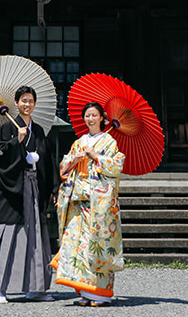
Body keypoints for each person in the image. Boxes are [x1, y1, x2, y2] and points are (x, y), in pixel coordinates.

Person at [52, 101, 125, 306]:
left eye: (94, 115)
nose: (90, 119)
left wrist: (97, 157)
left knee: (98, 245)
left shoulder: (109, 142)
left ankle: (100, 293)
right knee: (78, 246)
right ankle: (85, 291)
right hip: (78, 200)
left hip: (99, 204)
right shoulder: (79, 142)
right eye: (87, 115)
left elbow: (116, 166)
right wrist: (74, 160)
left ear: (102, 118)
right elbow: (64, 168)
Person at [0, 85, 57, 304]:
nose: (27, 104)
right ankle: (2, 289)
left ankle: (34, 288)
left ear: (34, 104)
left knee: (36, 236)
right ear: (16, 103)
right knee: (10, 236)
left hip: (35, 188)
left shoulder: (38, 130)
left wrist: (54, 188)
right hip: (12, 191)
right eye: (23, 101)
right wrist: (14, 142)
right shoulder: (8, 128)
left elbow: (48, 161)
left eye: (31, 101)